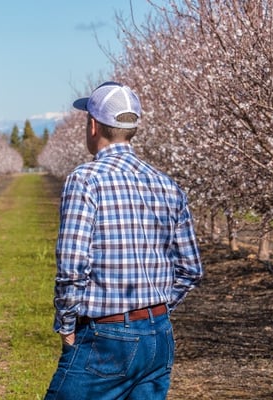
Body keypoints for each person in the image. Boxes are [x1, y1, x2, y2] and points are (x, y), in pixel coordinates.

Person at [44, 81, 203, 400]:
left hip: (107, 337)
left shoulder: (86, 180)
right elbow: (191, 269)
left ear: (92, 126)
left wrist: (66, 324)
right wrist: (153, 306)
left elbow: (72, 267)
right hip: (158, 336)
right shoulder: (167, 185)